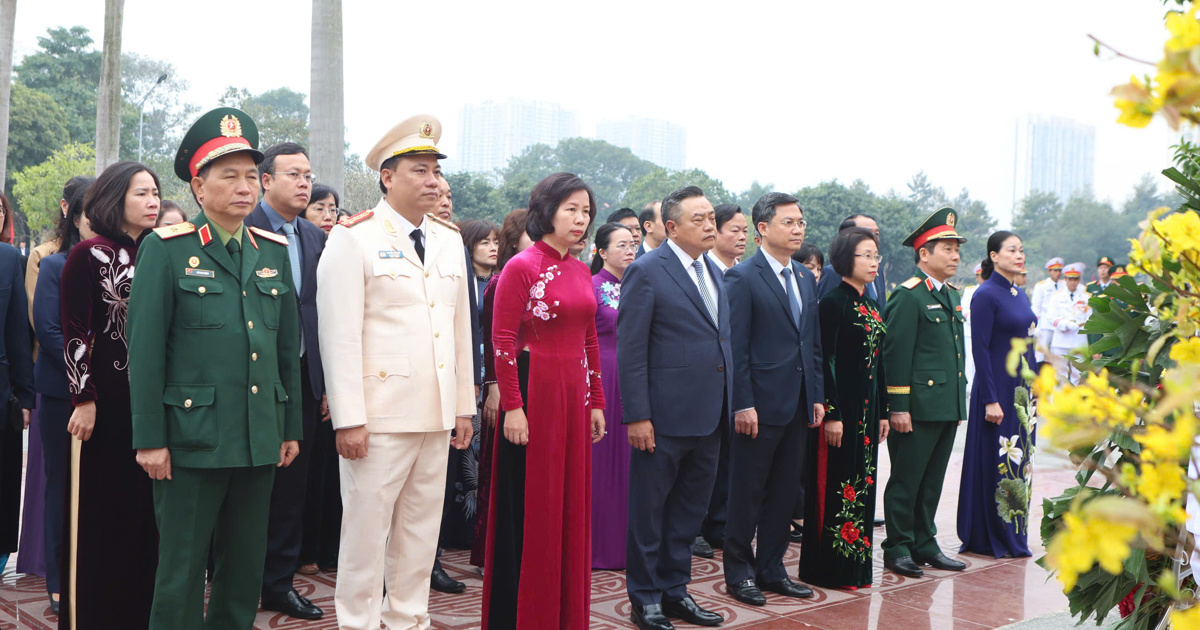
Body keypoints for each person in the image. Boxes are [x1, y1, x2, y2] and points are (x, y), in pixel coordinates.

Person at [128, 107, 302, 630]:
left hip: (257, 436)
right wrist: (150, 440)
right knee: (180, 572)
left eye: (252, 176)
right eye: (229, 176)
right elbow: (146, 352)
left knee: (244, 568)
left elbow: (284, 350)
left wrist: (288, 427)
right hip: (190, 440)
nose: (244, 187)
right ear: (199, 189)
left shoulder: (272, 252)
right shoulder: (167, 249)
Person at [317, 114, 474, 630]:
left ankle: (409, 619)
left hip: (434, 414)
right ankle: (357, 623)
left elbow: (457, 329)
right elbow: (338, 337)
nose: (434, 181)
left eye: (436, 171)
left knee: (419, 533)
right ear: (388, 177)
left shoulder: (450, 239)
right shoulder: (353, 238)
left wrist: (463, 406)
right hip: (378, 416)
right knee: (365, 534)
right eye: (420, 170)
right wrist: (349, 419)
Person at [480, 173, 605, 628]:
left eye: (586, 210)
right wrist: (513, 405)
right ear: (547, 209)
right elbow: (502, 340)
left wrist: (597, 401)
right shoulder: (522, 266)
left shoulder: (578, 267)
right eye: (571, 208)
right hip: (535, 392)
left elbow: (589, 337)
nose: (580, 218)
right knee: (534, 507)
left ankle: (565, 613)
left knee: (569, 505)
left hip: (574, 396)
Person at [619, 186, 732, 630]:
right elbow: (632, 350)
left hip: (709, 415)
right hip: (662, 418)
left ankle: (675, 591)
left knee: (688, 513)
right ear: (671, 227)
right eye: (699, 219)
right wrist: (638, 415)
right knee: (650, 513)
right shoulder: (647, 271)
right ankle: (644, 598)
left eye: (711, 218)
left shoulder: (716, 272)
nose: (710, 225)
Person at [59, 161, 161, 628]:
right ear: (115, 198)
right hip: (103, 407)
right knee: (100, 519)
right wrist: (84, 398)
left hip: (153, 407)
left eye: (157, 192)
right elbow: (75, 332)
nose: (153, 201)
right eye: (142, 193)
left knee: (144, 520)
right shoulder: (88, 254)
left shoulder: (161, 253)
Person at [722, 192, 824, 605]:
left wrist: (816, 394)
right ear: (763, 228)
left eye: (801, 222)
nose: (798, 229)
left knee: (785, 491)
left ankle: (772, 568)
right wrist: (742, 402)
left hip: (798, 403)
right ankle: (739, 572)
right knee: (747, 491)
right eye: (789, 222)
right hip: (758, 406)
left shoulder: (803, 276)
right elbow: (736, 347)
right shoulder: (742, 277)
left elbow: (811, 345)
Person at [245, 141, 327, 621]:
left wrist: (324, 385)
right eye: (293, 174)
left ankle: (277, 584)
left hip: (301, 377)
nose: (304, 183)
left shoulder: (314, 238)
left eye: (308, 175)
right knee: (249, 484)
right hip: (252, 376)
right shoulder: (243, 228)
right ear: (266, 181)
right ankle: (233, 576)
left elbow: (320, 314)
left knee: (292, 490)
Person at [881, 207, 968, 579]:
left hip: (945, 404)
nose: (955, 255)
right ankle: (897, 545)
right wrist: (898, 406)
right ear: (924, 254)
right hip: (916, 407)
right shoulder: (908, 296)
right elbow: (895, 355)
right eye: (946, 248)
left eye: (956, 249)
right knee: (906, 479)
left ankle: (924, 541)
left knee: (932, 480)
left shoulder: (949, 294)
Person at [799, 226, 888, 589]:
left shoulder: (871, 303)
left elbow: (881, 363)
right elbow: (825, 361)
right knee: (835, 485)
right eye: (864, 255)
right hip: (841, 413)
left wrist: (883, 411)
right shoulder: (833, 303)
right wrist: (832, 413)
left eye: (875, 256)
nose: (872, 262)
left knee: (862, 484)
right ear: (845, 259)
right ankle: (827, 568)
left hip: (867, 414)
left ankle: (855, 567)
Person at [33, 175, 93, 615]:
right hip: (61, 396)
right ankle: (59, 581)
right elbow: (51, 334)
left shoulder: (126, 261)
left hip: (109, 396)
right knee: (62, 487)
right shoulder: (54, 264)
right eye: (87, 206)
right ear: (71, 211)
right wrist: (86, 382)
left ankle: (95, 573)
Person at [958, 231, 1037, 559]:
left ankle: (1015, 531)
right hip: (997, 391)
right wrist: (990, 398)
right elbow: (981, 348)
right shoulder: (986, 294)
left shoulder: (1019, 293)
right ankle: (991, 533)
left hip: (1023, 393)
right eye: (1011, 250)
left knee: (1022, 463)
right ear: (994, 256)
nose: (1019, 255)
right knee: (1001, 459)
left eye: (1021, 249)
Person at [472, 209, 532, 569]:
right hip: (504, 387)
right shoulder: (501, 281)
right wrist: (494, 388)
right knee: (496, 471)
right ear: (513, 239)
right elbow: (498, 340)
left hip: (530, 384)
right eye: (530, 233)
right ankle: (489, 553)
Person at [297, 186, 344, 579]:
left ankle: (321, 546)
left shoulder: (335, 250)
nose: (328, 214)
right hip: (297, 371)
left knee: (324, 473)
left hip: (328, 377)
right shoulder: (291, 243)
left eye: (333, 208)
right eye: (320, 207)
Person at [590, 222, 636, 570]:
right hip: (603, 376)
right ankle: (597, 545)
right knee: (602, 462)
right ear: (602, 252)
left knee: (631, 464)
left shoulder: (641, 284)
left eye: (632, 243)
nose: (629, 249)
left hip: (636, 378)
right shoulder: (591, 287)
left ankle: (627, 544)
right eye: (621, 245)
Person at [0, 191, 34, 575]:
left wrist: (25, 394)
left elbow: (18, 334)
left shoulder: (10, 259)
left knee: (5, 475)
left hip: (2, 388)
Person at [817, 214, 887, 309]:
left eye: (877, 233)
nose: (874, 238)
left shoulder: (878, 272)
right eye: (866, 232)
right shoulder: (832, 273)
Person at [1047, 263, 1091, 385]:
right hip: (1061, 339)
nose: (1073, 282)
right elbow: (1050, 317)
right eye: (1070, 279)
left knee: (1077, 374)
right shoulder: (1056, 297)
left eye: (1075, 279)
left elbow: (1090, 319)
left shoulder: (1086, 297)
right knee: (1059, 374)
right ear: (1065, 279)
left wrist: (1079, 325)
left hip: (1078, 340)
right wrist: (1064, 324)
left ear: (1079, 280)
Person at [707, 203, 747, 275]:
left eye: (745, 231)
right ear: (714, 231)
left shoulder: (748, 273)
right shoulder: (702, 270)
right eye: (735, 231)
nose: (743, 237)